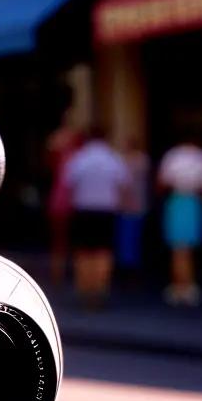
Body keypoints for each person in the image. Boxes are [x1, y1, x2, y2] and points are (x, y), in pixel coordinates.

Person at [63, 125, 131, 307]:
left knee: (83, 252)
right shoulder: (113, 159)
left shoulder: (79, 159)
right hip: (106, 211)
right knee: (104, 252)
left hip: (83, 210)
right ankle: (100, 291)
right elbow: (124, 186)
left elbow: (69, 185)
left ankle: (84, 291)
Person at [157, 135, 202, 306]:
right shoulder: (201, 157)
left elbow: (161, 182)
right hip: (192, 200)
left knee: (178, 247)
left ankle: (181, 285)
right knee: (186, 247)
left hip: (176, 200)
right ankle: (185, 285)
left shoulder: (172, 155)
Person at [44, 123, 82, 285]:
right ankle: (60, 273)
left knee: (64, 240)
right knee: (62, 240)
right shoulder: (75, 157)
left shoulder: (77, 157)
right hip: (67, 200)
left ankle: (64, 273)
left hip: (67, 199)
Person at [118, 136, 150, 282]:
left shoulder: (124, 161)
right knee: (133, 239)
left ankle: (128, 270)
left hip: (128, 205)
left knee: (128, 239)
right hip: (136, 205)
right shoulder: (143, 160)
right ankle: (131, 270)